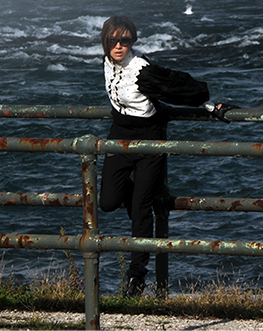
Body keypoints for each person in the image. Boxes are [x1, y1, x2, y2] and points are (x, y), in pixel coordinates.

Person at [98, 15, 236, 297]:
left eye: (126, 40)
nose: (119, 45)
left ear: (133, 41)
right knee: (108, 201)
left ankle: (136, 277)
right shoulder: (107, 62)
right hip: (119, 134)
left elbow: (178, 85)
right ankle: (143, 201)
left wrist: (210, 106)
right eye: (114, 40)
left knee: (140, 210)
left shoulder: (142, 70)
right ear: (105, 42)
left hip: (149, 137)